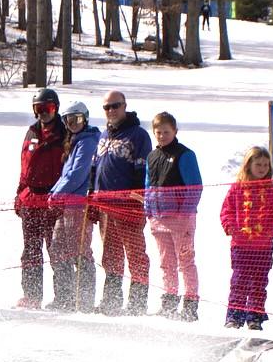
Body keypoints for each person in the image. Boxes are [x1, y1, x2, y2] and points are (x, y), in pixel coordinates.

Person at [91, 90, 152, 314]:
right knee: (110, 253)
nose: (111, 111)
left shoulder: (138, 135)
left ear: (125, 106)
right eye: (107, 107)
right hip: (105, 203)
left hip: (129, 203)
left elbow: (142, 168)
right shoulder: (103, 135)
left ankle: (137, 303)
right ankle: (111, 301)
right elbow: (94, 168)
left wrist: (136, 197)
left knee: (135, 252)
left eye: (115, 106)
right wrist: (92, 199)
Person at [143, 112, 202, 320]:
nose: (162, 136)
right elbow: (148, 185)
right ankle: (169, 300)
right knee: (166, 262)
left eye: (166, 132)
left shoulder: (185, 154)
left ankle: (190, 303)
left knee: (185, 261)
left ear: (175, 131)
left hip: (181, 219)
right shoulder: (152, 156)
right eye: (158, 132)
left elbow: (194, 187)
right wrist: (149, 211)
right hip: (158, 219)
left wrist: (185, 213)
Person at [220, 146, 273, 330]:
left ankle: (254, 317)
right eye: (258, 164)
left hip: (263, 247)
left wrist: (270, 232)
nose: (262, 168)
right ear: (248, 165)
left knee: (259, 282)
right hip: (240, 245)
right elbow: (227, 211)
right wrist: (230, 227)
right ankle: (234, 316)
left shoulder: (272, 191)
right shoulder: (237, 188)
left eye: (265, 165)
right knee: (239, 281)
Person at [17, 88, 67, 308]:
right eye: (39, 109)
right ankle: (32, 295)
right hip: (31, 198)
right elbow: (24, 165)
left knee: (56, 249)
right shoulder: (31, 132)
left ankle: (63, 297)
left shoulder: (64, 134)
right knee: (30, 249)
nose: (44, 113)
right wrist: (19, 192)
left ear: (56, 109)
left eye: (48, 108)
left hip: (52, 199)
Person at [48, 101, 100, 312]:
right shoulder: (76, 141)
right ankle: (65, 296)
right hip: (67, 202)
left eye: (77, 119)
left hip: (78, 203)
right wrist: (55, 191)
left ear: (85, 119)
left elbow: (77, 173)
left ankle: (83, 301)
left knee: (79, 250)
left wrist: (57, 193)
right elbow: (65, 174)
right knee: (58, 247)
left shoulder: (88, 141)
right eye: (69, 120)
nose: (73, 124)